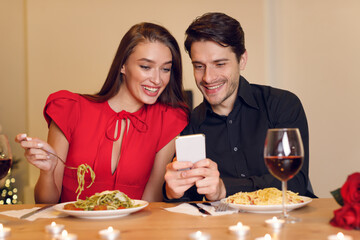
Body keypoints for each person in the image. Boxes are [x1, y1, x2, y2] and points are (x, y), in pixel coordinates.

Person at [16, 22, 189, 203]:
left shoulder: (168, 119)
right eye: (146, 67)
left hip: (134, 230)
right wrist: (48, 171)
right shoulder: (69, 109)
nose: (157, 79)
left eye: (166, 69)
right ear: (122, 66)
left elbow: (152, 202)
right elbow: (45, 203)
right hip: (71, 229)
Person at [164, 12, 315, 202]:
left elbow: (295, 182)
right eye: (199, 66)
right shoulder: (192, 122)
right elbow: (187, 196)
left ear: (242, 60)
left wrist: (224, 188)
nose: (208, 78)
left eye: (219, 64)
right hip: (226, 229)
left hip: (288, 223)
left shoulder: (282, 104)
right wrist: (172, 191)